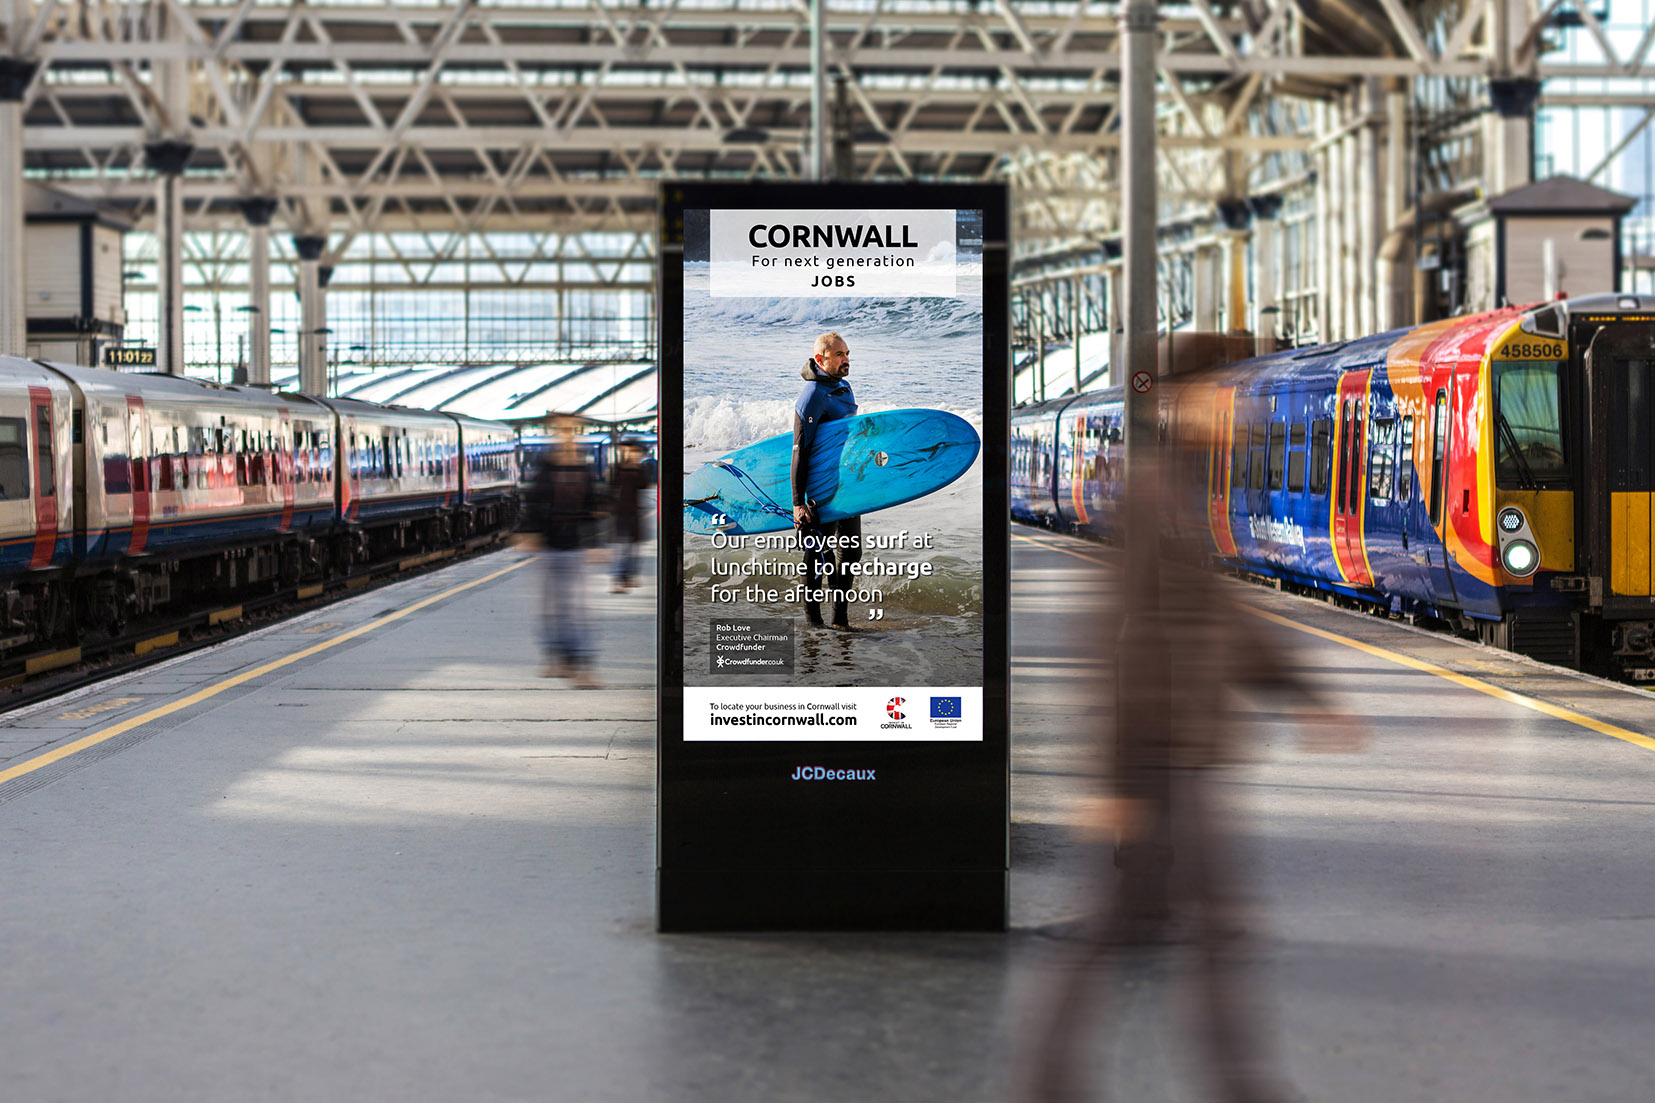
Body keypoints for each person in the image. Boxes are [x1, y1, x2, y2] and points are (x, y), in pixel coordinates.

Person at [524, 417, 609, 688]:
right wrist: (528, 532)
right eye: (562, 430)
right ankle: (557, 660)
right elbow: (534, 502)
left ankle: (584, 667)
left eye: (570, 430)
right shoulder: (545, 467)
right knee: (549, 610)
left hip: (574, 546)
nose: (566, 435)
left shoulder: (582, 469)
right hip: (549, 547)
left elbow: (591, 506)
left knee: (579, 610)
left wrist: (596, 544)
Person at [792, 331, 863, 630]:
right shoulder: (811, 396)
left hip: (845, 485)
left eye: (847, 353)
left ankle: (840, 620)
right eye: (839, 355)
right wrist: (798, 503)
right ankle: (814, 624)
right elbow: (800, 450)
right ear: (821, 359)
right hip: (819, 490)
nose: (846, 359)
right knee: (817, 555)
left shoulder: (843, 387)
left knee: (850, 551)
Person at [609, 440, 650, 593]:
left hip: (634, 512)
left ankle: (629, 577)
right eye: (630, 451)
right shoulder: (618, 468)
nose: (633, 454)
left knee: (633, 547)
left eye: (635, 452)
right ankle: (619, 579)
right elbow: (613, 484)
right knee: (621, 548)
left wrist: (636, 467)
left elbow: (643, 485)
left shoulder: (639, 469)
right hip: (620, 512)